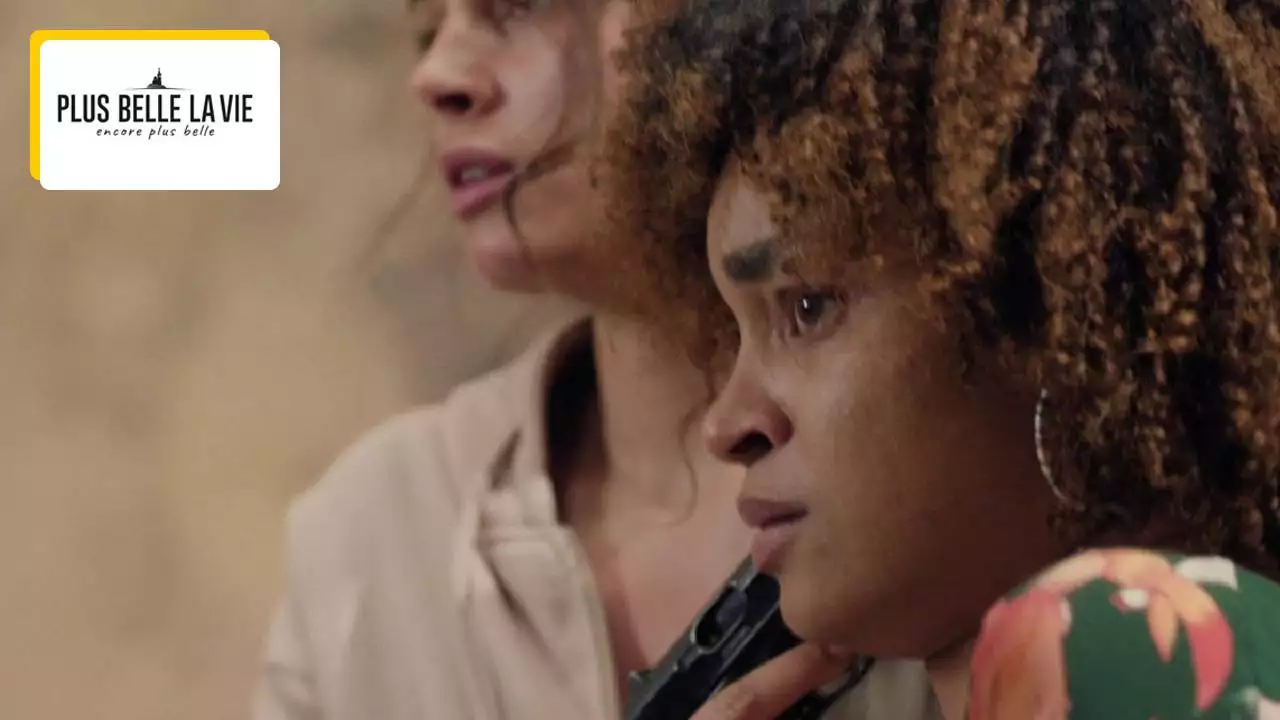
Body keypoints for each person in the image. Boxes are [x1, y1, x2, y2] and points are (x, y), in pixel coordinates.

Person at [251, 0, 937, 718]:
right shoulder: (373, 536)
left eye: (514, 6)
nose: (436, 75)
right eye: (427, 29)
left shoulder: (948, 465)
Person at [595, 0, 1280, 716]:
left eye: (808, 308)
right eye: (735, 335)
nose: (728, 427)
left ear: (1065, 306)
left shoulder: (1157, 667)